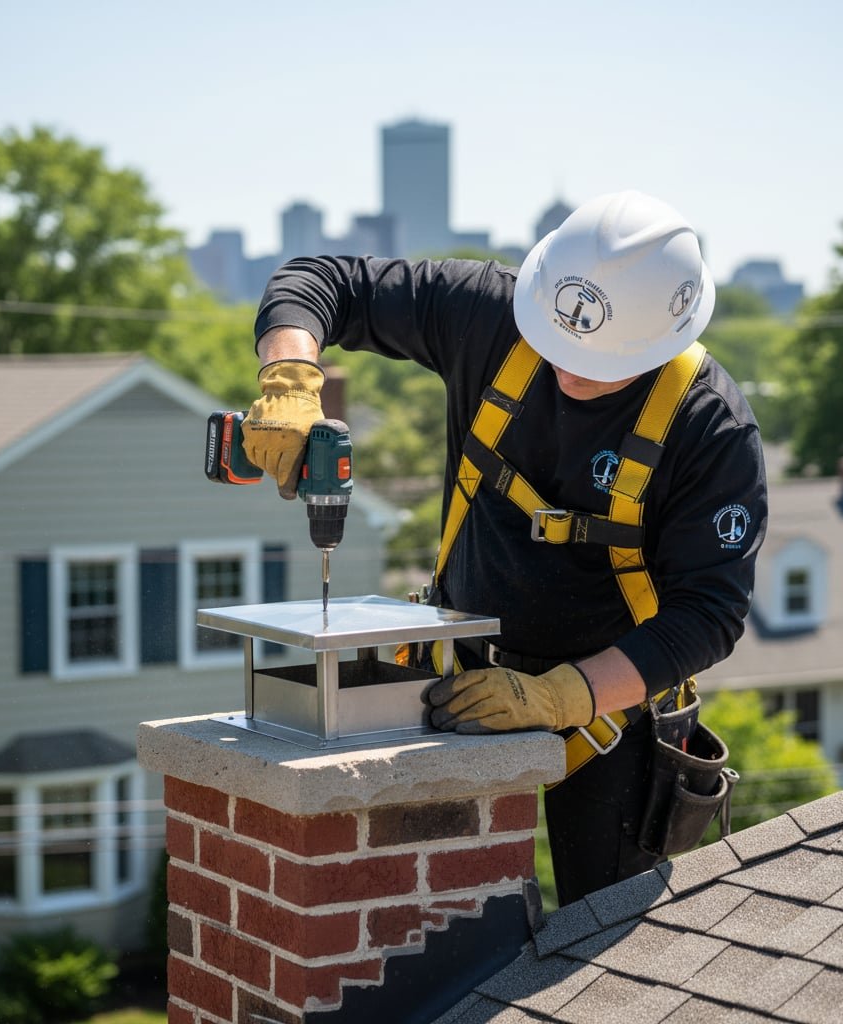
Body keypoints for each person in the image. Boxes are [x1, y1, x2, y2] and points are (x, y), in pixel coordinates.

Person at [241, 190, 767, 904]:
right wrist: (288, 375)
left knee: (605, 942)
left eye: (598, 360)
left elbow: (708, 614)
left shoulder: (710, 428)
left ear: (664, 342)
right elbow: (320, 281)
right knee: (437, 935)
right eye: (556, 345)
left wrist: (560, 696)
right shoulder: (494, 316)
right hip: (456, 678)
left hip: (616, 712)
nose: (568, 369)